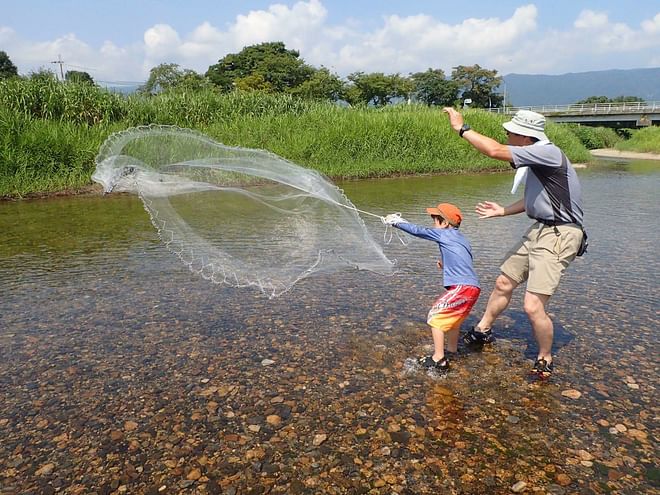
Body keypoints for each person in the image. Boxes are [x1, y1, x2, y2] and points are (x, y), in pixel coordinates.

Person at [443, 107, 584, 378]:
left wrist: (461, 128)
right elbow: (536, 199)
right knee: (504, 282)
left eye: (510, 132)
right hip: (541, 228)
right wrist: (503, 211)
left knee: (532, 305)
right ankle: (482, 330)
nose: (506, 135)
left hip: (560, 234)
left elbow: (494, 150)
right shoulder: (537, 159)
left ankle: (545, 357)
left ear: (525, 137)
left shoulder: (548, 153)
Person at [384, 203, 480, 374]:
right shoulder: (462, 238)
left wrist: (397, 222)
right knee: (454, 321)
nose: (433, 224)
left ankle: (438, 358)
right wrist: (446, 264)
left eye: (435, 220)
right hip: (473, 287)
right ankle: (451, 351)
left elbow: (419, 231)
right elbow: (463, 258)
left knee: (435, 316)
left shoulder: (443, 233)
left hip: (461, 287)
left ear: (444, 223)